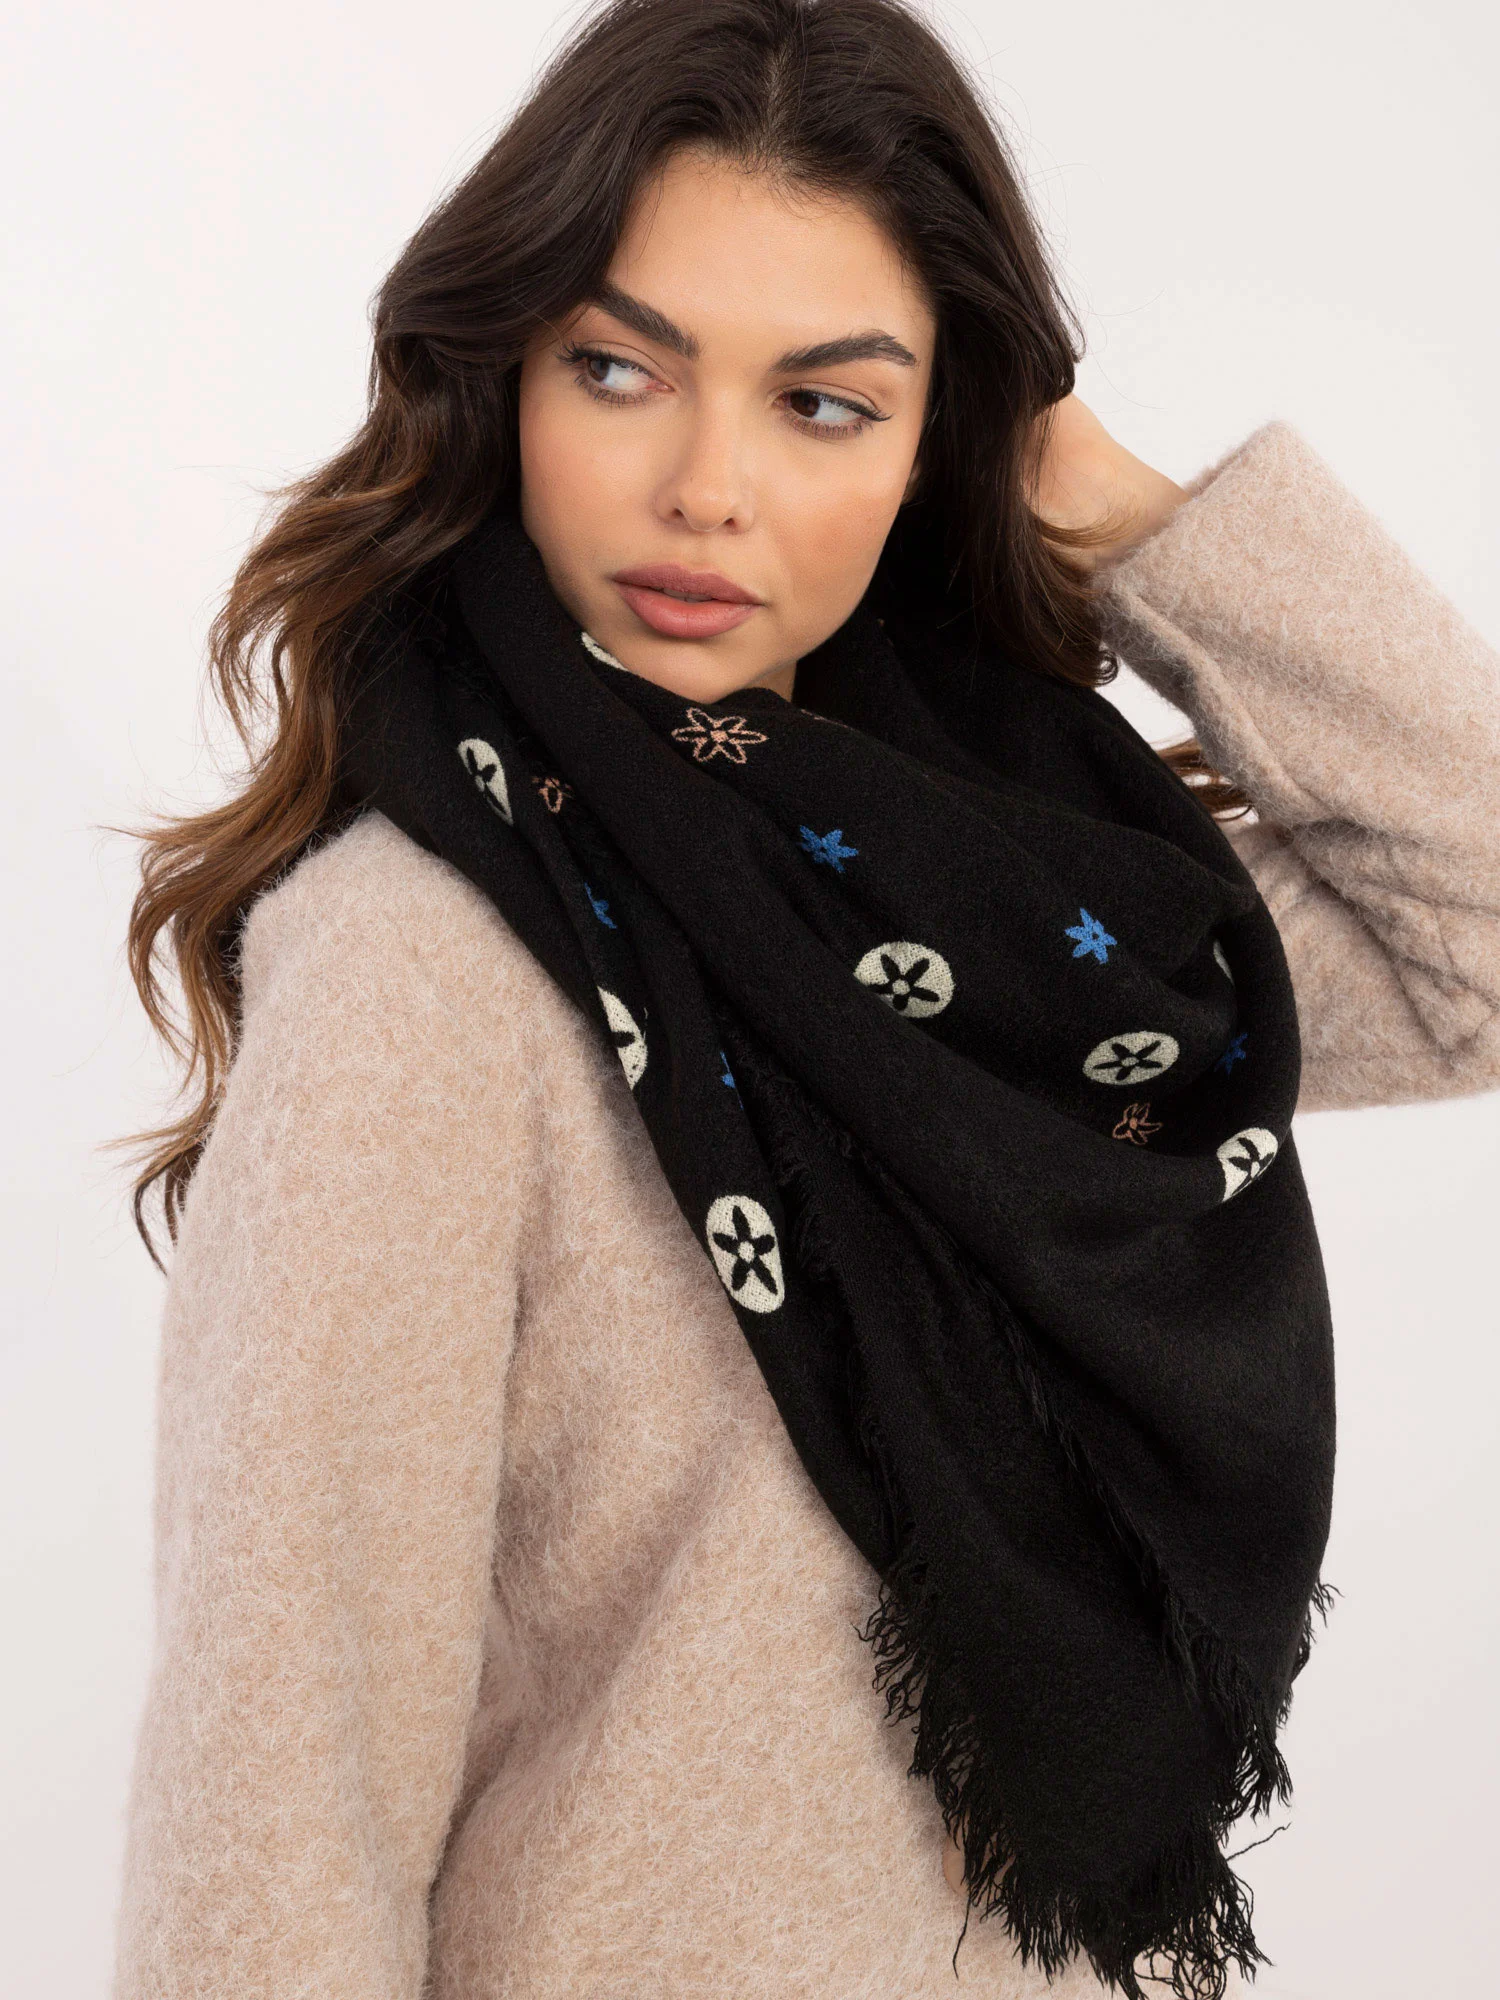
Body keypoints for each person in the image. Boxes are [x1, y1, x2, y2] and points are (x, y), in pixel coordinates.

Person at [111, 2, 1500, 1996]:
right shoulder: (423, 964)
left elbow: (1476, 934)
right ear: (507, 378)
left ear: (944, 440)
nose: (707, 488)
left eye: (824, 405)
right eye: (619, 369)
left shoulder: (1005, 910)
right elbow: (280, 1792)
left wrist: (1129, 515)